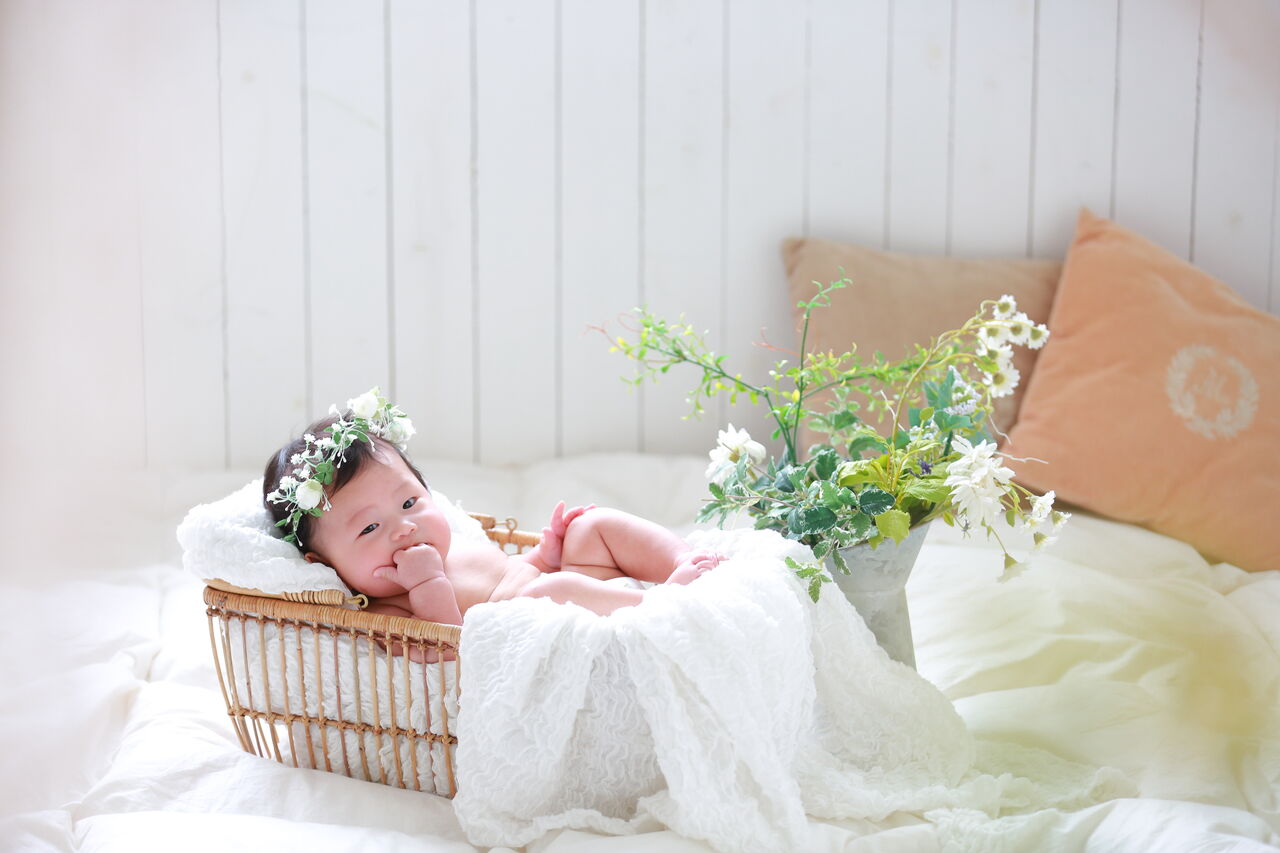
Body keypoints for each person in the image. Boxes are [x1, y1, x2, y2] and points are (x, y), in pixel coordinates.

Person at [263, 391, 720, 627]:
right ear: (324, 563)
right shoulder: (385, 609)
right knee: (548, 591)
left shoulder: (455, 544)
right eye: (369, 528)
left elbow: (513, 574)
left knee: (591, 526)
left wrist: (546, 556)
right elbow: (444, 653)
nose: (403, 528)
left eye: (409, 502)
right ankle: (663, 606)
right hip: (548, 626)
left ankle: (684, 562)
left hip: (581, 592)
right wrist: (426, 584)